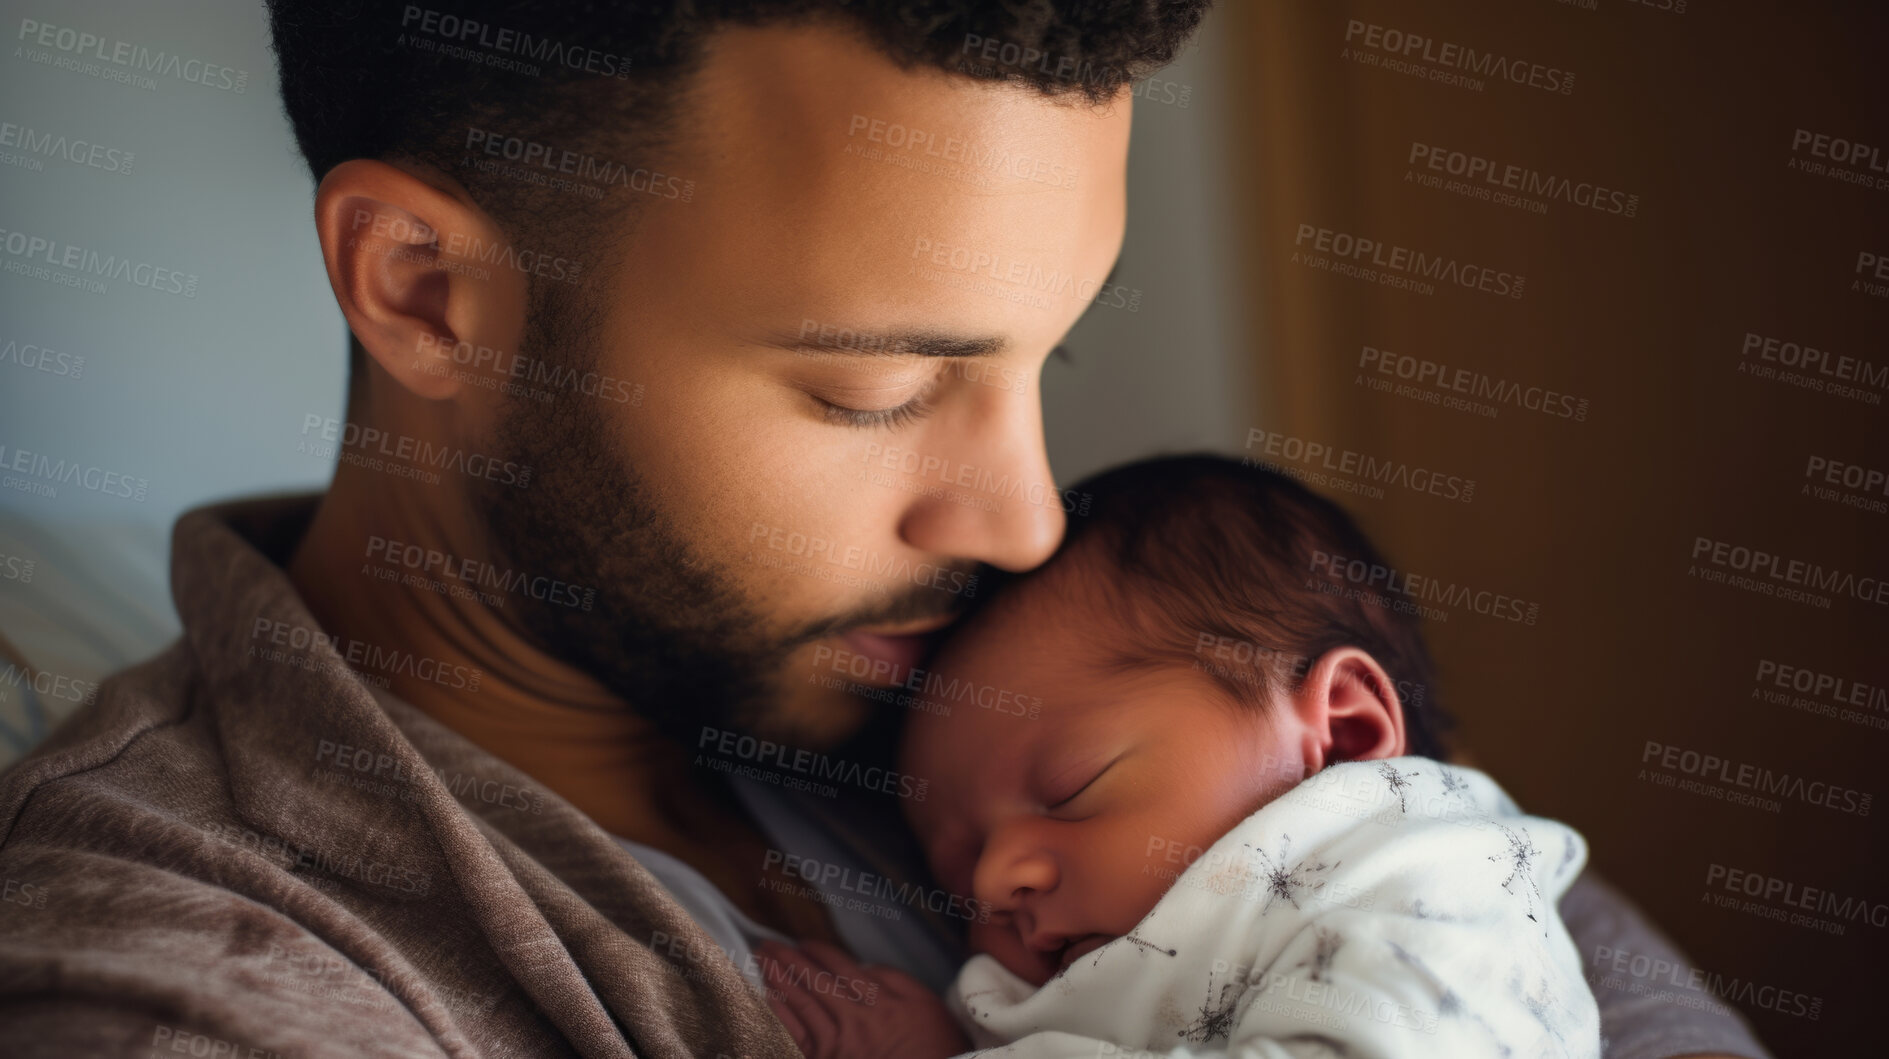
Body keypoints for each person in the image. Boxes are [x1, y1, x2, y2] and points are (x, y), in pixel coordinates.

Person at [0, 4, 1769, 1058]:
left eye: (1037, 358)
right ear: (428, 288)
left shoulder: (1083, 666)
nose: (1014, 519)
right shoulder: (197, 966)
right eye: (872, 390)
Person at [761, 456, 1600, 1058]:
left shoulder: (1429, 897)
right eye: (959, 865)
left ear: (1341, 734)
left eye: (1070, 789)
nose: (993, 880)